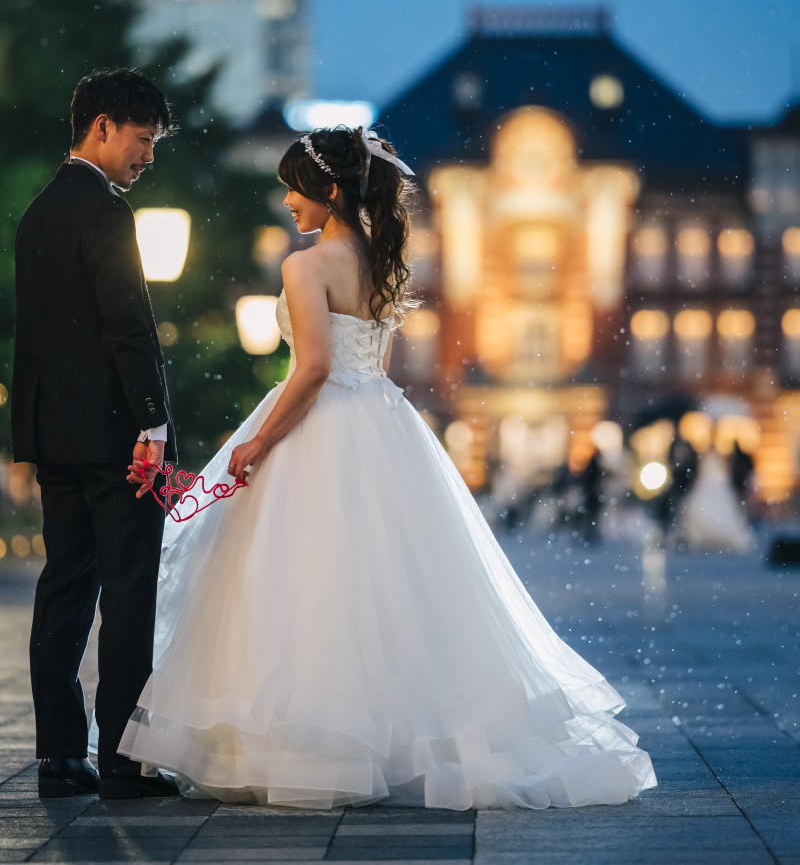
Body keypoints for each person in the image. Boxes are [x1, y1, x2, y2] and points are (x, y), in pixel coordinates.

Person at [119, 128, 656, 810]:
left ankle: (301, 746)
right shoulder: (380, 262)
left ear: (331, 191)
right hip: (381, 421)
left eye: (294, 186)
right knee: (382, 583)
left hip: (319, 419)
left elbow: (312, 367)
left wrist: (257, 443)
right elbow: (369, 362)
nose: (286, 200)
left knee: (300, 581)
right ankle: (394, 741)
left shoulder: (305, 267)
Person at [12, 70, 180, 800]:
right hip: (117, 439)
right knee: (130, 591)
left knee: (65, 588)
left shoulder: (38, 212)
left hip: (55, 436)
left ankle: (58, 755)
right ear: (104, 126)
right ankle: (122, 755)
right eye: (143, 141)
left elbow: (38, 339)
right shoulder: (107, 215)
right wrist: (154, 420)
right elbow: (129, 328)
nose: (147, 158)